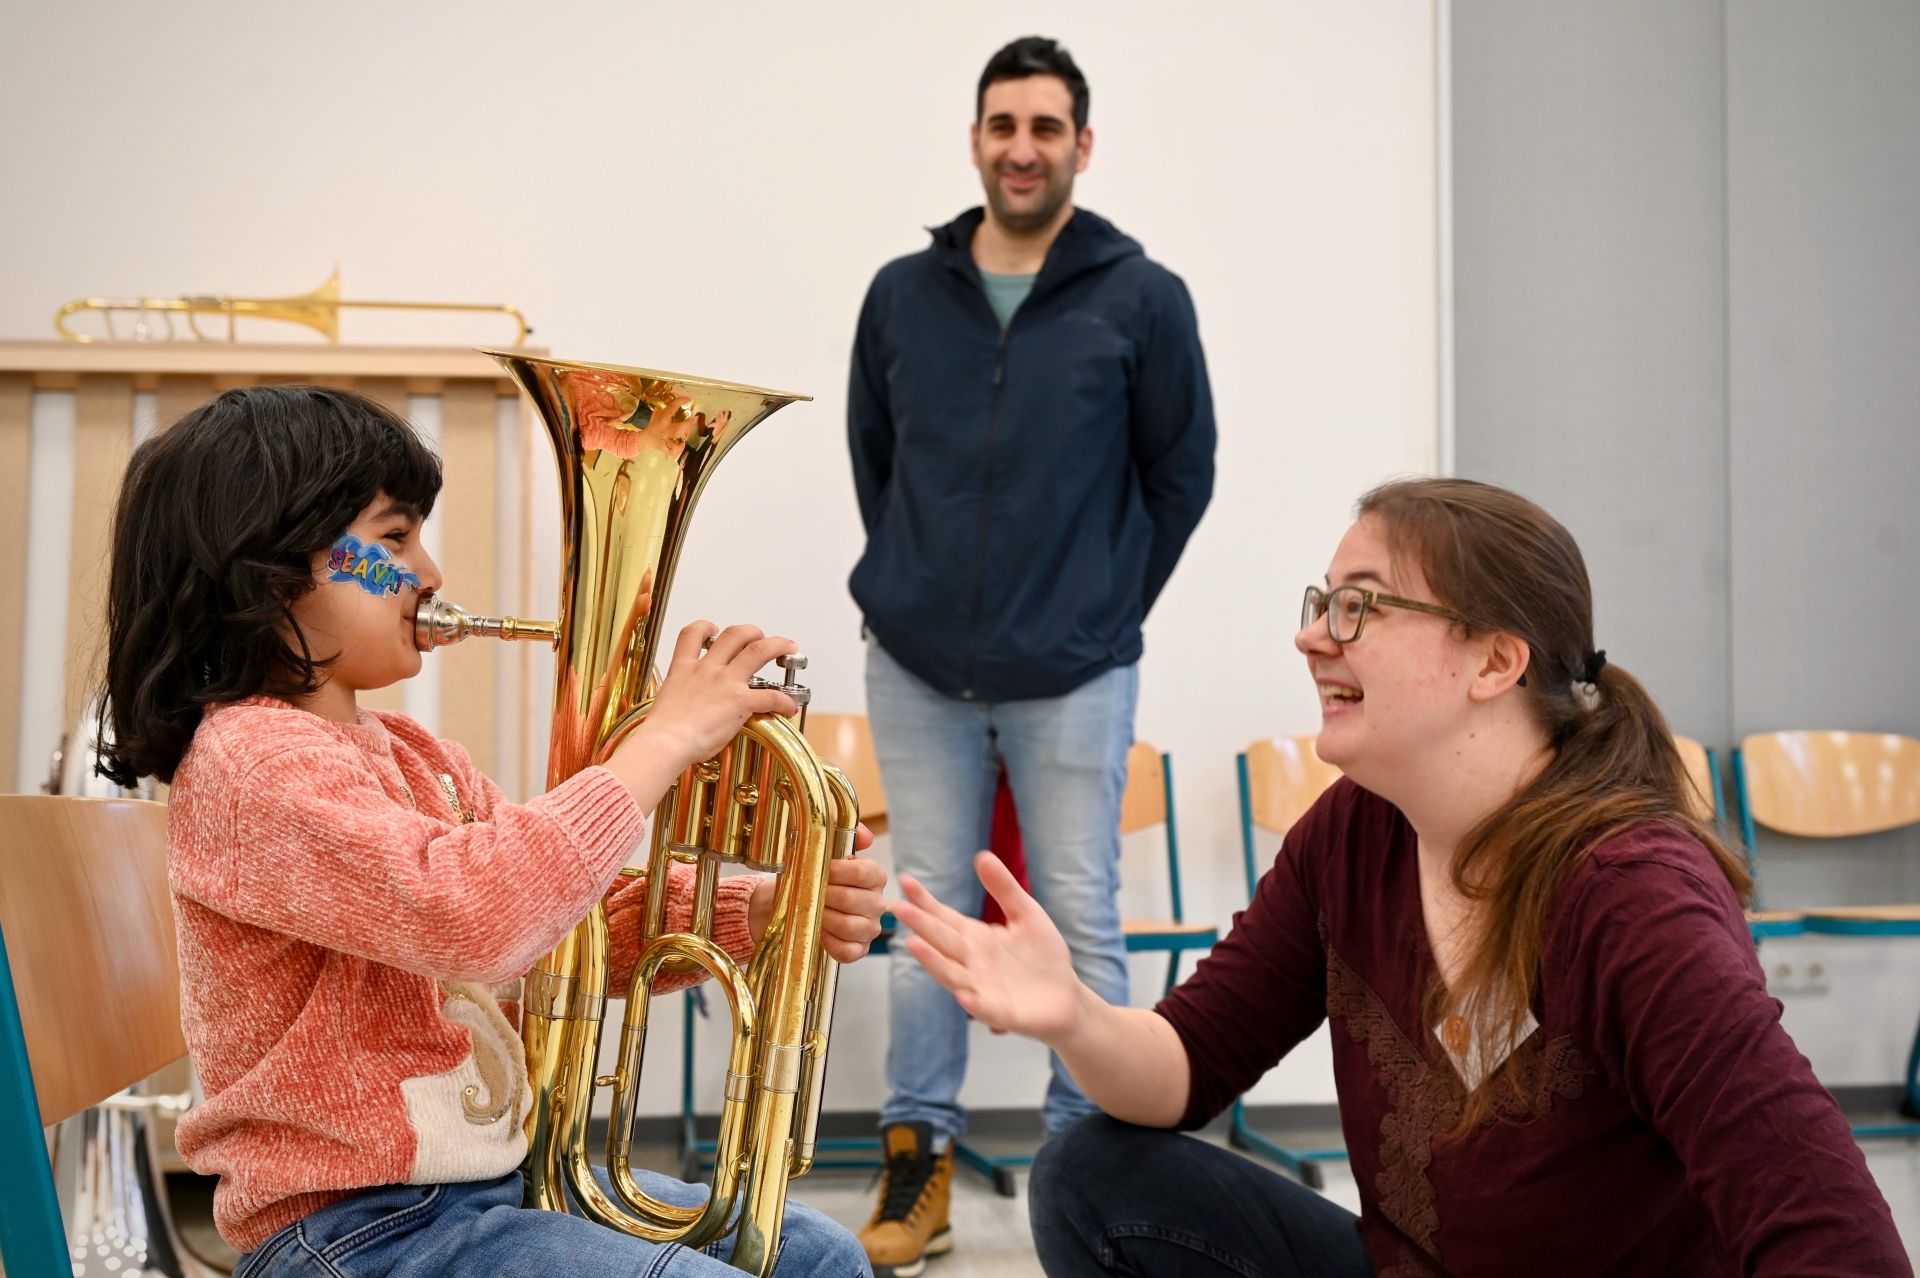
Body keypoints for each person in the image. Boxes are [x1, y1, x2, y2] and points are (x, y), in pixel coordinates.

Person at [889, 477, 1910, 1277]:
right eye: (1321, 604)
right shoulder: (1354, 833)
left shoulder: (1632, 896)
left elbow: (1831, 1232)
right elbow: (1184, 1070)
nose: (1311, 637)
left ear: (1494, 662)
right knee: (1089, 1175)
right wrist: (1074, 1016)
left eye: (1358, 608)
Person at [95, 386, 886, 1278]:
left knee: (819, 1257)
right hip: (354, 1232)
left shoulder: (415, 754)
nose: (428, 572)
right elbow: (473, 913)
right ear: (269, 570)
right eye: (394, 540)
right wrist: (662, 743)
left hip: (475, 1197)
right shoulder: (252, 762)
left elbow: (557, 931)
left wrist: (759, 911)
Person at [846, 35, 1215, 1276]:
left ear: (1081, 146)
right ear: (975, 139)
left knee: (1083, 920)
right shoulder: (902, 293)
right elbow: (878, 462)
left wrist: (1100, 608)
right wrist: (922, 584)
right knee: (927, 915)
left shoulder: (1142, 297)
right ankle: (918, 1164)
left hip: (1077, 670)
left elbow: (1180, 473)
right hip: (916, 665)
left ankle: (1084, 1171)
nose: (1022, 148)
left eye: (1045, 127)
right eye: (1002, 124)